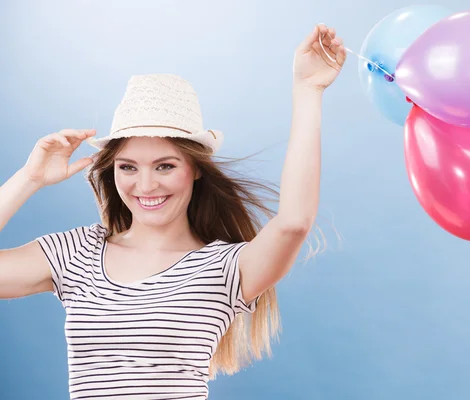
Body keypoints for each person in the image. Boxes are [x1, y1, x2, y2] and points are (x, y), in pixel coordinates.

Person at [0, 24, 346, 399]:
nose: (145, 186)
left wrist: (308, 90)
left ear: (195, 169)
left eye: (164, 166)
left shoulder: (224, 268)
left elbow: (294, 223)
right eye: (128, 167)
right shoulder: (76, 253)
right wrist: (29, 177)